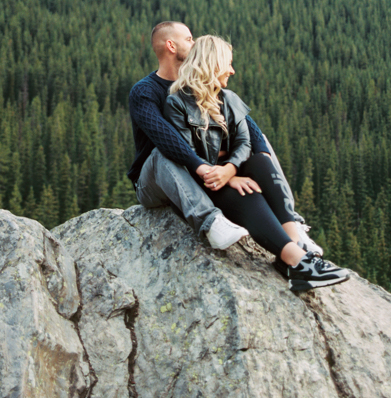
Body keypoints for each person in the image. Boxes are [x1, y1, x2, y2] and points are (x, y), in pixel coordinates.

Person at [163, 34, 350, 291]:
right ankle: (296, 262)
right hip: (205, 184)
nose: (232, 70)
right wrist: (229, 175)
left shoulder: (229, 100)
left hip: (226, 173)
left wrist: (230, 169)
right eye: (227, 63)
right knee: (246, 193)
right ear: (211, 64)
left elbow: (244, 143)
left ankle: (295, 250)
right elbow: (187, 155)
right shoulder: (176, 103)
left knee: (261, 163)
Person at [128, 21, 322, 254]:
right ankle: (211, 223)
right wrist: (224, 175)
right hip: (157, 179)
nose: (195, 42)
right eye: (189, 39)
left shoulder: (201, 86)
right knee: (160, 153)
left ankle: (291, 223)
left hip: (200, 171)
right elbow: (168, 139)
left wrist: (238, 166)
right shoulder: (145, 91)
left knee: (260, 140)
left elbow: (250, 130)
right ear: (171, 45)